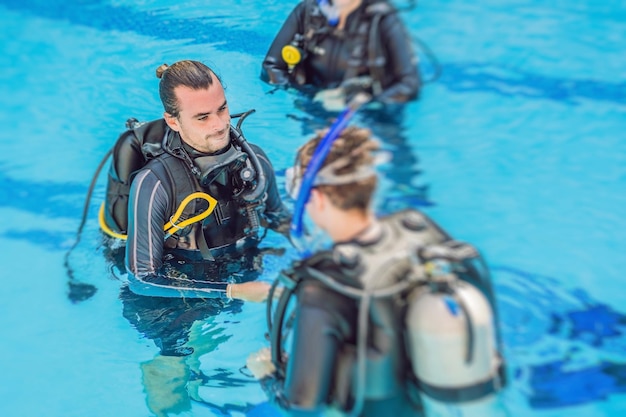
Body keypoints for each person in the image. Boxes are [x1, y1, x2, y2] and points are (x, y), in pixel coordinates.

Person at [246, 126, 507, 416]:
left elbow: (302, 404)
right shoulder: (418, 226)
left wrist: (266, 373)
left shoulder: (323, 286)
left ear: (316, 198)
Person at [102, 60, 291, 302]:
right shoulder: (154, 183)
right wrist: (232, 292)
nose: (220, 125)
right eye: (202, 117)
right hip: (177, 289)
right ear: (173, 122)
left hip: (243, 268)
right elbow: (142, 280)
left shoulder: (255, 160)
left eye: (222, 109)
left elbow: (281, 219)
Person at [261, 0, 421, 109]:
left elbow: (409, 84)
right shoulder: (308, 12)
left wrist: (360, 104)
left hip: (369, 117)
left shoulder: (382, 21)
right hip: (312, 109)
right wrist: (309, 97)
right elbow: (271, 68)